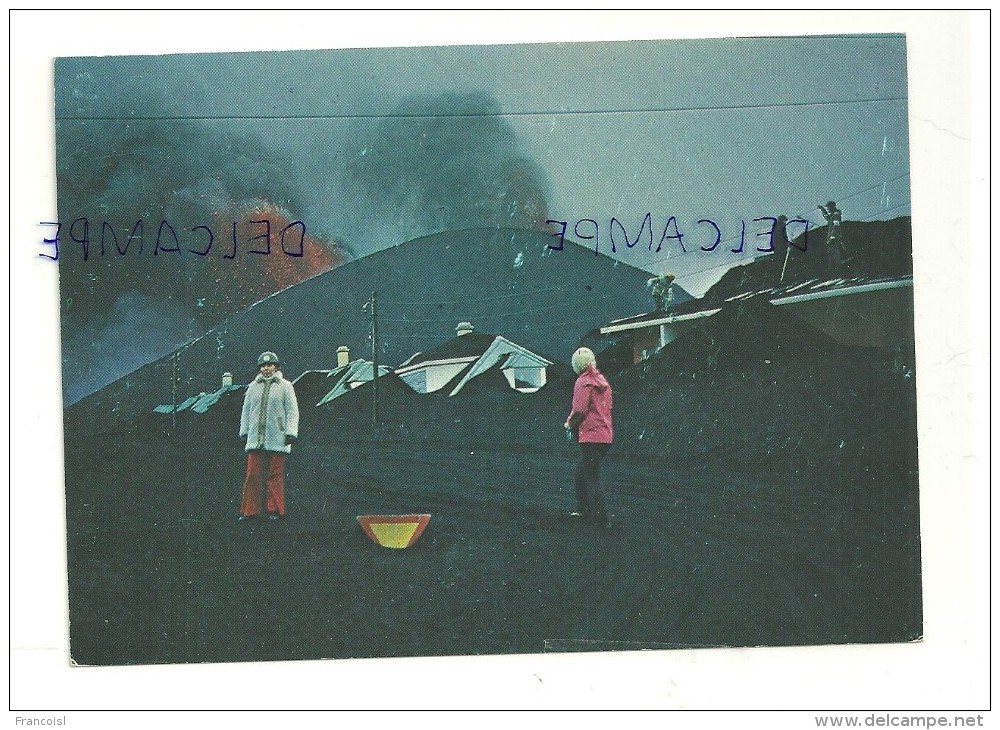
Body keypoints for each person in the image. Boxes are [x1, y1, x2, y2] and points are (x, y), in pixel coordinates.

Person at [239, 351, 299, 521]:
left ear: (276, 367)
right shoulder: (252, 387)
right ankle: (250, 511)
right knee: (252, 474)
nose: (266, 368)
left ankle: (274, 510)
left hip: (277, 436)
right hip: (255, 438)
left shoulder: (285, 386)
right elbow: (246, 411)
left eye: (269, 365)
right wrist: (244, 431)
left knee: (275, 474)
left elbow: (292, 411)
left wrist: (290, 432)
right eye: (263, 366)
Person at [564, 347, 614, 527]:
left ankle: (601, 519)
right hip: (605, 436)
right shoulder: (603, 382)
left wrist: (570, 424)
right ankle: (583, 508)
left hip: (591, 437)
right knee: (582, 471)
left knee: (590, 476)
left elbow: (579, 410)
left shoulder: (582, 382)